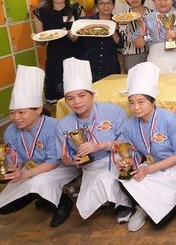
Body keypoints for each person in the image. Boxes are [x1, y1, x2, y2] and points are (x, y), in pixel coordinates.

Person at [0, 65, 79, 227]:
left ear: (38, 110)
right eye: (12, 113)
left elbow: (54, 161)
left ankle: (63, 202)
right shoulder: (10, 132)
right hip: (34, 167)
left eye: (21, 112)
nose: (16, 118)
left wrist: (26, 175)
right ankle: (44, 195)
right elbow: (14, 158)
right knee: (3, 206)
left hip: (61, 166)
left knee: (36, 182)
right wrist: (13, 170)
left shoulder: (54, 127)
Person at [56, 58, 132, 222]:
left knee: (108, 179)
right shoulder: (64, 125)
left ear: (92, 94)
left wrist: (102, 145)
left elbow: (128, 144)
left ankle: (123, 205)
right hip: (89, 167)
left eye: (82, 95)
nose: (77, 102)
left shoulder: (114, 111)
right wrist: (74, 160)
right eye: (70, 98)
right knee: (88, 203)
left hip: (116, 159)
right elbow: (64, 157)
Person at [118, 62, 176, 231]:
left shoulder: (170, 119)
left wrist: (149, 169)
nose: (136, 107)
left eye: (141, 101)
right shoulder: (130, 124)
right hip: (149, 166)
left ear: (152, 100)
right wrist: (129, 162)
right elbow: (131, 150)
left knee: (159, 223)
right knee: (123, 179)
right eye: (131, 103)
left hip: (172, 169)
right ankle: (143, 207)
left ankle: (171, 203)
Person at [33, 0, 83, 103]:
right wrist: (36, 38)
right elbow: (42, 41)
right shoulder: (40, 13)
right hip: (55, 58)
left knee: (79, 95)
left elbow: (84, 36)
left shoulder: (76, 10)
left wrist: (74, 38)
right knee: (60, 99)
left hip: (76, 56)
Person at [80, 0, 121, 81]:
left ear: (113, 5)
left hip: (110, 63)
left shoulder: (119, 22)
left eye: (108, 3)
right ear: (96, 6)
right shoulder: (86, 21)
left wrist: (113, 31)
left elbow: (120, 45)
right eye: (101, 3)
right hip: (89, 63)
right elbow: (78, 41)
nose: (105, 6)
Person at [118, 0, 151, 72]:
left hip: (152, 53)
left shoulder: (152, 14)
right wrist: (124, 25)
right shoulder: (122, 17)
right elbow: (127, 39)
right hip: (132, 55)